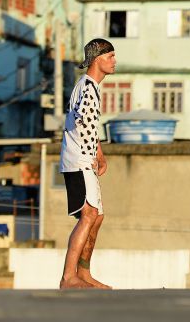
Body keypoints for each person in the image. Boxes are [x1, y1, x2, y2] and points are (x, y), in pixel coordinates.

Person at [58, 38, 116, 289]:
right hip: (78, 161)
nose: (115, 62)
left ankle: (83, 273)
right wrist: (90, 153)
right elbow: (82, 120)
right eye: (110, 57)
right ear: (97, 60)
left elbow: (89, 125)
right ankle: (68, 277)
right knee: (89, 214)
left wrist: (99, 153)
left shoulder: (88, 86)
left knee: (97, 217)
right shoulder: (88, 88)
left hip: (86, 159)